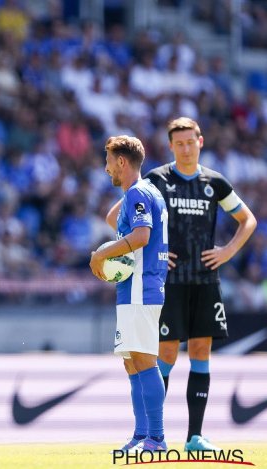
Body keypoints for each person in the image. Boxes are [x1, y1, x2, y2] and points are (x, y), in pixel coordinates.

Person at [144, 117, 255, 450]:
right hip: (171, 282)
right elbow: (125, 216)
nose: (185, 148)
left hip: (205, 280)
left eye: (190, 142)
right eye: (179, 143)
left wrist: (228, 251)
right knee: (166, 354)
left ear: (200, 142)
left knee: (201, 352)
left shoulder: (214, 183)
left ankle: (194, 437)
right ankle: (153, 435)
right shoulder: (157, 180)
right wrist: (156, 253)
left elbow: (247, 219)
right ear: (171, 146)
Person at [91, 135, 168, 452]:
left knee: (145, 360)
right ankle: (141, 435)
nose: (106, 167)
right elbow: (115, 219)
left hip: (141, 288)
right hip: (135, 288)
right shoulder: (144, 191)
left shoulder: (139, 192)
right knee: (132, 362)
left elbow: (141, 236)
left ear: (121, 162)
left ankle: (157, 438)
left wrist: (102, 252)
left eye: (109, 160)